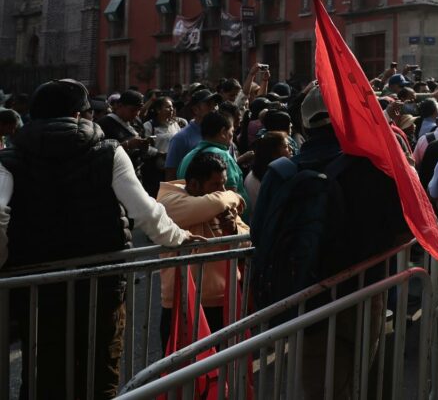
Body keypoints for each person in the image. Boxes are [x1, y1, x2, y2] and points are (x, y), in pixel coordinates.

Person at [0, 79, 199, 399]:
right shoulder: (109, 152)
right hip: (102, 282)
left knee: (43, 368)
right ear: (81, 114)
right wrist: (178, 238)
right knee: (100, 368)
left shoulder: (10, 158)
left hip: (36, 284)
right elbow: (145, 212)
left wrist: (6, 260)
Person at [251, 85, 409, 399]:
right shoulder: (372, 168)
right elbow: (403, 230)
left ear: (304, 128)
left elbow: (259, 235)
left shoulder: (279, 173)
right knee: (355, 379)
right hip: (364, 292)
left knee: (319, 386)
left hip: (303, 294)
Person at [157, 152, 248, 349]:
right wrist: (234, 195)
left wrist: (232, 230)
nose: (222, 191)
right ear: (194, 185)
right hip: (181, 304)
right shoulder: (169, 201)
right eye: (216, 185)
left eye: (224, 185)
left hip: (223, 301)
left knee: (222, 372)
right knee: (180, 373)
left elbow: (247, 242)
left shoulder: (224, 205)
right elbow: (216, 202)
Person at [175, 111, 250, 216]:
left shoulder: (188, 156)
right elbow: (228, 198)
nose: (232, 137)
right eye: (232, 132)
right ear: (223, 132)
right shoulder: (223, 157)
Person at [164, 89, 222, 179]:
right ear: (195, 109)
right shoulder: (180, 139)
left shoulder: (220, 134)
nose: (214, 108)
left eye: (215, 104)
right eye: (209, 104)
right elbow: (171, 177)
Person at [98, 89, 154, 175]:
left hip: (136, 171)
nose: (136, 113)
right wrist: (128, 145)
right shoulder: (105, 124)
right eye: (133, 110)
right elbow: (100, 153)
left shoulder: (137, 122)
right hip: (115, 174)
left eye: (138, 110)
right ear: (120, 106)